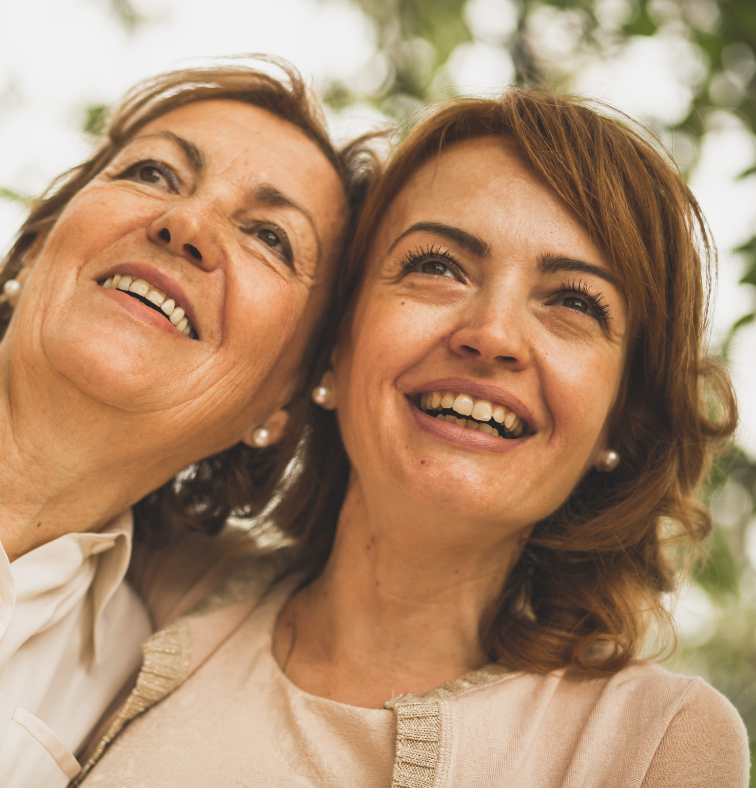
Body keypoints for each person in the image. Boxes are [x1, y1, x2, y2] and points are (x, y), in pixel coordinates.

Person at [69, 91, 750, 787]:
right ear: (335, 348)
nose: (491, 335)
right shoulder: (147, 581)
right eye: (438, 266)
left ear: (620, 421)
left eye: (574, 302)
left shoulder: (656, 745)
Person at [0, 59, 374, 787]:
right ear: (34, 246)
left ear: (287, 406)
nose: (186, 225)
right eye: (153, 174)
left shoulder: (138, 687)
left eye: (270, 236)